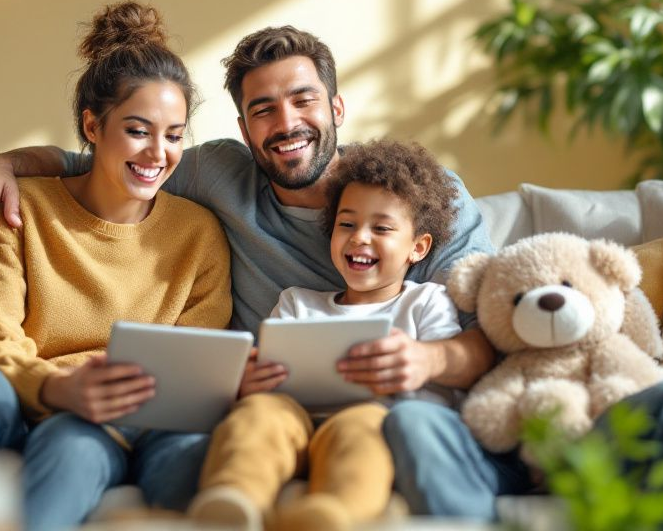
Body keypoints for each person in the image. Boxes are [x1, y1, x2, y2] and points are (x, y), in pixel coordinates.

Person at [0, 25, 663, 528]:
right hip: (340, 420)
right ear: (241, 128)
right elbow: (114, 159)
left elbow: (499, 324)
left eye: (302, 101)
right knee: (381, 430)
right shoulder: (213, 179)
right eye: (262, 109)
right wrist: (0, 166)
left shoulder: (421, 199)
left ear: (336, 107)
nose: (285, 122)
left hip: (451, 410)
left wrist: (429, 362)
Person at [0, 2, 232, 531]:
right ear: (92, 125)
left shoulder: (198, 235)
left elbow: (190, 374)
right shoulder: (16, 209)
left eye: (174, 135)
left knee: (79, 444)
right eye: (138, 130)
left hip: (104, 421)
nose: (159, 152)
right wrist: (55, 387)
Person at [189, 140, 464, 531]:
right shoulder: (297, 303)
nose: (360, 238)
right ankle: (234, 498)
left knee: (363, 427)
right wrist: (248, 382)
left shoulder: (426, 302)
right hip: (293, 419)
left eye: (382, 228)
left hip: (370, 422)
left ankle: (335, 513)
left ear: (417, 248)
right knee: (257, 415)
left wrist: (413, 370)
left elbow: (446, 388)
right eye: (346, 224)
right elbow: (266, 375)